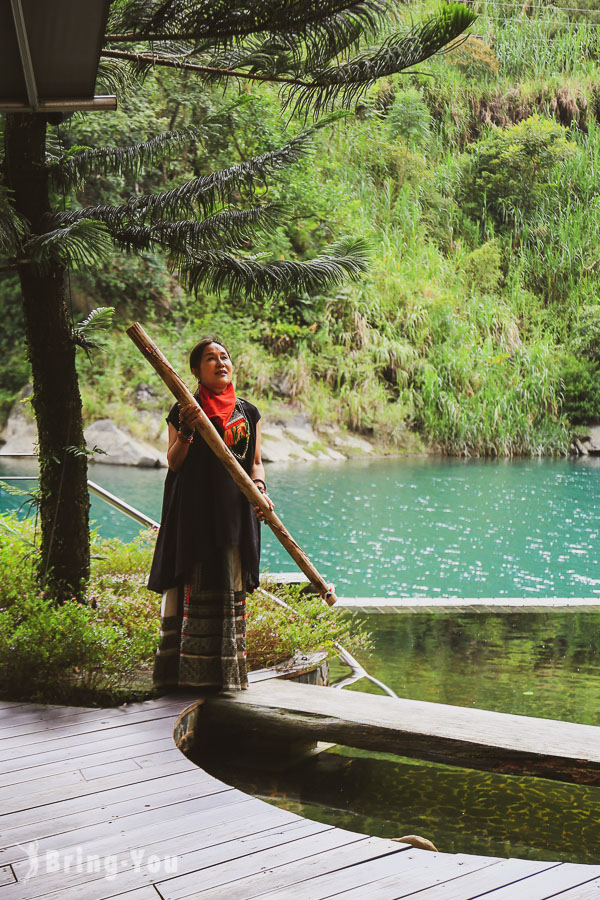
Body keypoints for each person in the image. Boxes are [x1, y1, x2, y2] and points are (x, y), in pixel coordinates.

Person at [148, 337, 274, 692]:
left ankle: (226, 675)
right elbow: (174, 463)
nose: (220, 362)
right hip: (192, 512)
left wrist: (260, 491)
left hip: (234, 511)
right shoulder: (183, 410)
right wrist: (187, 430)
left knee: (228, 577)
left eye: (225, 356)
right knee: (193, 577)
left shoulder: (248, 412)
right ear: (195, 371)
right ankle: (183, 674)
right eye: (210, 358)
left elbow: (257, 464)